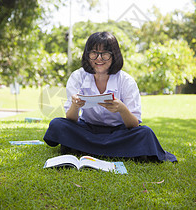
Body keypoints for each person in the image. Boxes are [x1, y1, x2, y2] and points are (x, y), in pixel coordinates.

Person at [43, 32, 177, 162]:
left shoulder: (126, 81)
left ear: (114, 56)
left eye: (105, 54)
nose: (99, 58)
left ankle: (80, 147)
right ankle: (122, 151)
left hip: (119, 132)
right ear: (87, 55)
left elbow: (134, 124)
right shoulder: (77, 76)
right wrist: (75, 105)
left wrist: (122, 109)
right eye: (94, 53)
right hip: (87, 129)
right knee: (57, 124)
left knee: (145, 133)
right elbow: (71, 119)